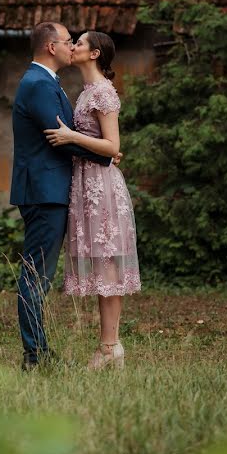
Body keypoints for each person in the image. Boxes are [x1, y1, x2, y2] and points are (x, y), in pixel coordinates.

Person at [10, 21, 117, 371]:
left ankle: (38, 351)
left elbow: (71, 135)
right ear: (50, 47)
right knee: (36, 274)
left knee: (39, 273)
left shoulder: (47, 82)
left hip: (50, 189)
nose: (72, 46)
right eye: (68, 41)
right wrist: (106, 153)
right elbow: (61, 135)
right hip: (44, 191)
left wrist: (103, 149)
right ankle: (35, 355)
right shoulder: (39, 84)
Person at [44, 30, 141, 370]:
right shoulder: (86, 93)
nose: (74, 47)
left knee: (108, 266)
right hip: (86, 183)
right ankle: (108, 346)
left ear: (95, 54)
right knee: (102, 267)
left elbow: (112, 145)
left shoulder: (102, 92)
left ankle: (110, 346)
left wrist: (71, 136)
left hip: (102, 186)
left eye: (80, 43)